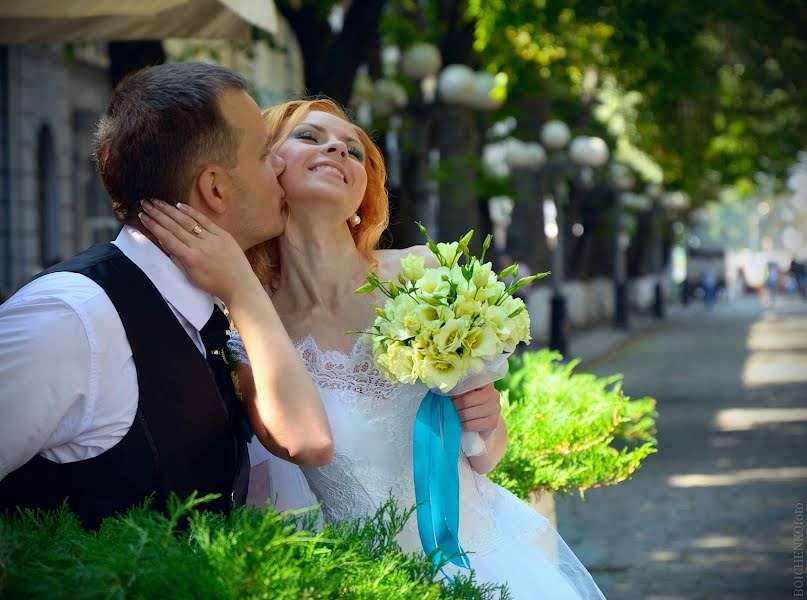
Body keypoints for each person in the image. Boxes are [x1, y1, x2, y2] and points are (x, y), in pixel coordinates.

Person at [140, 98, 605, 599]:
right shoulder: (247, 324)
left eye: (354, 150)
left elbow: (487, 456)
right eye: (310, 137)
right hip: (351, 580)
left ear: (364, 196)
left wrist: (487, 420)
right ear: (267, 169)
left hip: (473, 563)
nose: (338, 147)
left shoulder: (423, 277)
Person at [0, 63, 333, 529]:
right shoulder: (71, 317)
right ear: (214, 188)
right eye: (263, 154)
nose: (279, 163)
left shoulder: (206, 308)